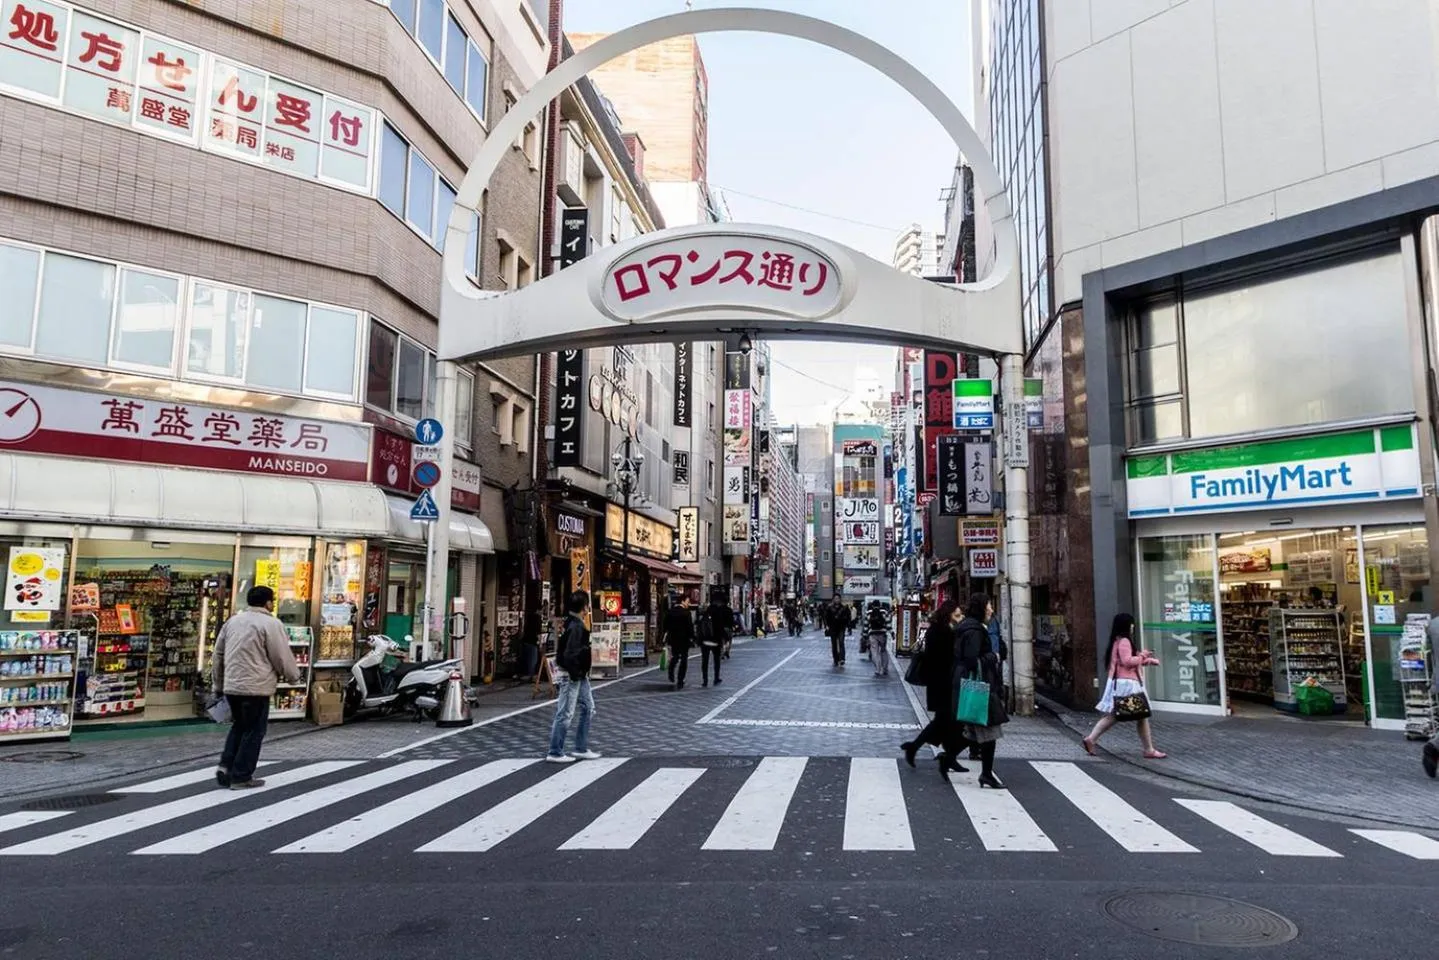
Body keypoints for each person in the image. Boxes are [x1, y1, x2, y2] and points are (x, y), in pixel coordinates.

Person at [211, 585, 300, 789]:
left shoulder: (233, 621)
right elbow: (280, 656)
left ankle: (226, 765)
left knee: (239, 726)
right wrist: (293, 676)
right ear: (268, 603)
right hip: (256, 687)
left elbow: (218, 655)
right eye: (272, 601)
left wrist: (218, 684)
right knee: (254, 731)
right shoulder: (271, 624)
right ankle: (241, 776)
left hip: (232, 686)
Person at [944, 593, 1009, 789]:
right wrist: (994, 656)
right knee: (989, 731)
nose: (991, 609)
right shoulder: (975, 630)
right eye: (989, 605)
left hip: (969, 684)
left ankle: (947, 759)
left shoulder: (969, 627)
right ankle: (986, 774)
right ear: (981, 607)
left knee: (973, 732)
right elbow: (972, 660)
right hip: (979, 686)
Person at [1082, 613, 1166, 760]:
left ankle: (1092, 738)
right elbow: (1128, 661)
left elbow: (1125, 661)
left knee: (1120, 715)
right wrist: (1143, 656)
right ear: (1127, 625)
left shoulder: (1118, 641)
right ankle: (1148, 750)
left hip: (1123, 683)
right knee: (1139, 715)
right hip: (1129, 685)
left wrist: (1147, 661)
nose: (1133, 627)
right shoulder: (1125, 641)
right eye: (1132, 624)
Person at [900, 601, 965, 777]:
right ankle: (919, 749)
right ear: (948, 614)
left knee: (945, 720)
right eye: (957, 615)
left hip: (940, 682)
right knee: (946, 720)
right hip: (942, 682)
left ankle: (941, 754)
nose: (960, 618)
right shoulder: (942, 632)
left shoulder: (939, 629)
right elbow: (945, 658)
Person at [546, 591, 602, 763]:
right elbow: (570, 654)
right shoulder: (576, 626)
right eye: (587, 605)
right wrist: (576, 673)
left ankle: (581, 747)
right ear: (584, 607)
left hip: (578, 674)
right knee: (566, 713)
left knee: (588, 708)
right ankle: (555, 751)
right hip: (572, 675)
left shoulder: (570, 623)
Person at [663, 594, 695, 690]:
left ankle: (671, 670)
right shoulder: (686, 613)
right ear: (682, 601)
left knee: (675, 656)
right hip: (684, 639)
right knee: (684, 659)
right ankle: (680, 680)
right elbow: (690, 627)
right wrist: (692, 638)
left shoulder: (670, 612)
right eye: (687, 601)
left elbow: (665, 625)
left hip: (673, 638)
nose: (689, 603)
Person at [702, 595, 730, 686]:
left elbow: (701, 627)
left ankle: (705, 680)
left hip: (705, 640)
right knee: (716, 659)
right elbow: (720, 627)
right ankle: (716, 678)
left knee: (705, 661)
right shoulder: (718, 612)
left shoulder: (706, 612)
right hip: (715, 640)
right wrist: (726, 637)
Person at [867, 602, 891, 678]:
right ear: (880, 605)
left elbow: (866, 624)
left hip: (872, 634)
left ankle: (877, 669)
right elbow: (888, 623)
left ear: (873, 605)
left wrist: (864, 635)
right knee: (883, 651)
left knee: (875, 652)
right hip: (882, 634)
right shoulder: (884, 612)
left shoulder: (869, 612)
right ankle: (885, 669)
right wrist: (891, 632)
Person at [824, 598, 850, 667]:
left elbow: (848, 616)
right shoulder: (829, 608)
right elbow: (826, 617)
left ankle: (842, 659)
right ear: (833, 600)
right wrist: (827, 625)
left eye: (838, 598)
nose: (837, 600)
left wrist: (847, 624)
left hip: (841, 627)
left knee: (841, 642)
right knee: (834, 644)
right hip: (833, 628)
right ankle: (835, 659)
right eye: (835, 598)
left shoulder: (844, 607)